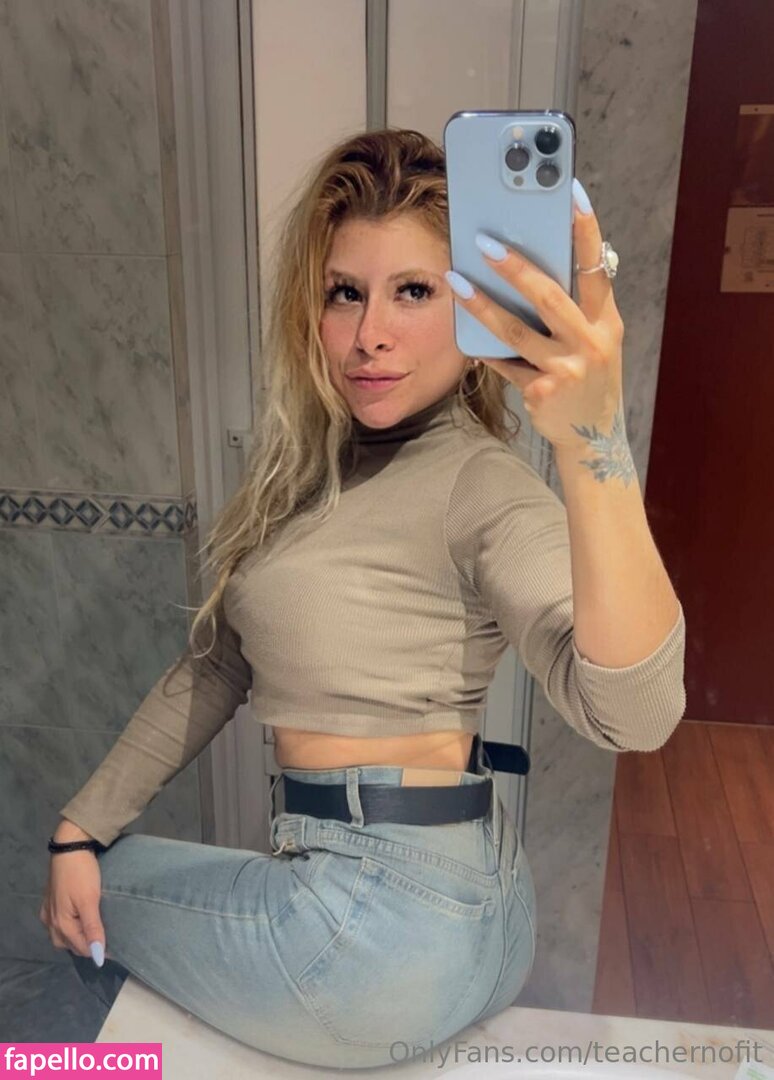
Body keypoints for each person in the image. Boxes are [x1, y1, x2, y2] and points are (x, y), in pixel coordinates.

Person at [39, 128, 686, 1069]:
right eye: (346, 292)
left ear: (474, 316)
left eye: (414, 292)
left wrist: (596, 444)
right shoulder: (304, 472)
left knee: (100, 886)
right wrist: (80, 819)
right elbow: (220, 662)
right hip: (468, 912)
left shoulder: (480, 484)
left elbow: (639, 714)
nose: (369, 334)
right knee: (87, 862)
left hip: (379, 931)